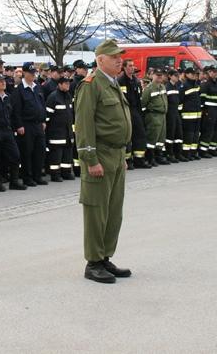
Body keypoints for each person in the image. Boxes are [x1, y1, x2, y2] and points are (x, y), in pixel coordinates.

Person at [75, 39, 132, 284]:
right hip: (100, 155)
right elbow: (84, 126)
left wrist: (123, 155)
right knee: (96, 211)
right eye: (114, 57)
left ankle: (105, 257)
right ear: (100, 60)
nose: (120, 61)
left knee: (113, 212)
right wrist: (91, 160)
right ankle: (93, 262)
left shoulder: (112, 83)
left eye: (120, 57)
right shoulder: (91, 85)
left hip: (116, 155)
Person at [0, 74, 24, 191]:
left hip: (7, 130)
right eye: (0, 81)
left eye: (4, 81)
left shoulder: (8, 97)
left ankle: (14, 182)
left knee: (15, 155)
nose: (3, 83)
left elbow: (13, 114)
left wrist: (16, 126)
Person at [11, 63, 48, 187]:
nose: (33, 75)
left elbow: (42, 104)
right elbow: (16, 109)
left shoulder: (37, 87)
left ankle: (37, 176)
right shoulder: (19, 89)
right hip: (26, 125)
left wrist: (43, 120)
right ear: (24, 73)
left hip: (38, 124)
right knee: (27, 152)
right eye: (31, 73)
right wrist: (19, 125)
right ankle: (27, 177)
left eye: (34, 73)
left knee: (40, 151)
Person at [117, 60, 149, 169]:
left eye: (133, 65)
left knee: (140, 134)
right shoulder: (121, 81)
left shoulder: (136, 80)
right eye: (130, 66)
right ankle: (128, 160)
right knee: (127, 137)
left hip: (136, 110)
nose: (132, 67)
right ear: (124, 67)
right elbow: (123, 99)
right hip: (126, 110)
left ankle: (139, 159)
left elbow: (139, 98)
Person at [45, 76, 75, 182]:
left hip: (67, 132)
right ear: (59, 85)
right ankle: (55, 175)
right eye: (65, 83)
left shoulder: (68, 96)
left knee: (67, 154)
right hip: (56, 133)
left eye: (68, 83)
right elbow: (47, 116)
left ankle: (66, 172)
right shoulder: (53, 97)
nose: (68, 85)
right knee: (56, 156)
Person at [141, 68, 169, 165]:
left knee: (161, 137)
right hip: (153, 115)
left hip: (162, 115)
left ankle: (158, 156)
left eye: (161, 75)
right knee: (152, 138)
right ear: (153, 75)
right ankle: (150, 157)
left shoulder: (162, 87)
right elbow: (143, 103)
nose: (159, 77)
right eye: (157, 75)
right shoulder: (149, 88)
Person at [180, 67, 202, 160]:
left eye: (195, 74)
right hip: (187, 116)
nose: (194, 75)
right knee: (188, 135)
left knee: (195, 135)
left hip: (197, 114)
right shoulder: (184, 86)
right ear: (186, 74)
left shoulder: (196, 85)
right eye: (192, 73)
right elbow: (180, 101)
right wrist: (181, 113)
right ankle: (186, 153)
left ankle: (193, 152)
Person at [164, 69, 184, 162]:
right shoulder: (167, 87)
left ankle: (178, 153)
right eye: (175, 75)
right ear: (170, 76)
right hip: (170, 114)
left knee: (178, 133)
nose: (177, 77)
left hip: (176, 113)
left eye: (178, 75)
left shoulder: (176, 86)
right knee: (170, 134)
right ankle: (169, 154)